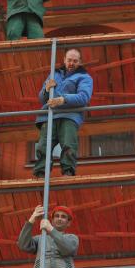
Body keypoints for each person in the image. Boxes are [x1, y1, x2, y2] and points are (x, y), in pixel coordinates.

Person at [33, 48, 93, 178]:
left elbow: (84, 97)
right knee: (43, 145)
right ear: (64, 60)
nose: (71, 63)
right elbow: (42, 99)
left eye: (75, 61)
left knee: (68, 143)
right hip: (49, 115)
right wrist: (46, 90)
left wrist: (63, 99)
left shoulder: (84, 77)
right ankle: (41, 173)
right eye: (69, 60)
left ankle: (68, 171)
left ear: (80, 62)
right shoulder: (54, 74)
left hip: (69, 115)